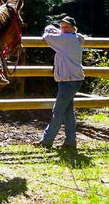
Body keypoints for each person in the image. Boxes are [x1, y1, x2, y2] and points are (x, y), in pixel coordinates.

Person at [35, 16, 85, 150]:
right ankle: (70, 142)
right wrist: (59, 31)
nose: (63, 29)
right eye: (61, 26)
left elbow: (46, 35)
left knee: (57, 111)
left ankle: (46, 141)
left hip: (68, 81)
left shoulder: (66, 39)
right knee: (68, 112)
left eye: (66, 27)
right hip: (72, 80)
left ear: (73, 28)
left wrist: (54, 31)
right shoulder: (74, 37)